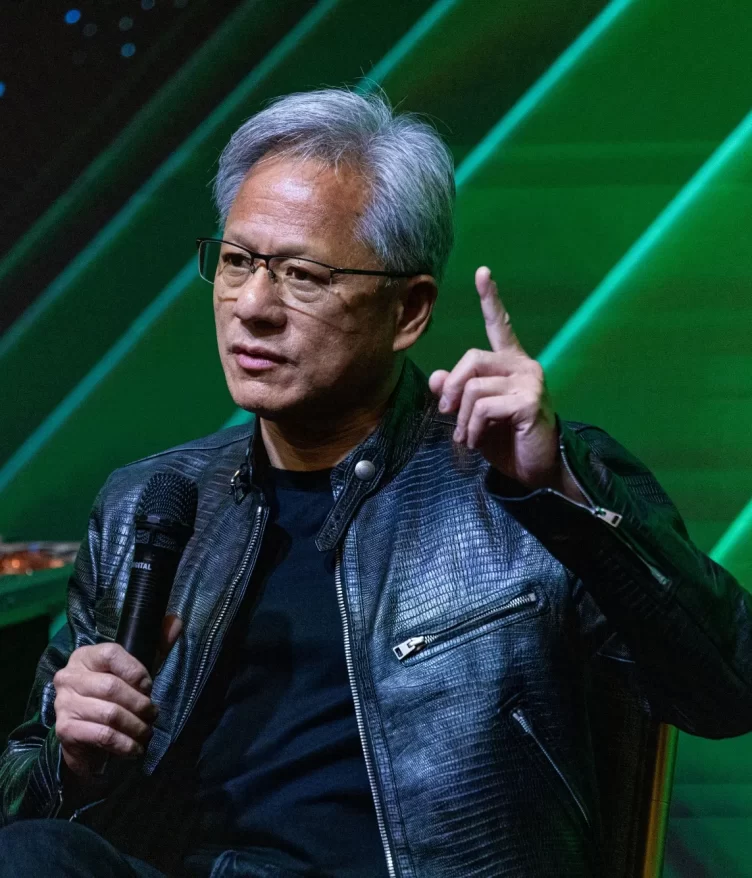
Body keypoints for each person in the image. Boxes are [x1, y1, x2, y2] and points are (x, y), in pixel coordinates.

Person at [1, 88, 751, 878]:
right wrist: (69, 755)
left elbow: (726, 689)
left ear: (409, 311)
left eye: (303, 274)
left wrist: (561, 495)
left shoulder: (532, 484)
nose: (252, 306)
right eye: (237, 261)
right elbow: (23, 795)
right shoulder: (149, 505)